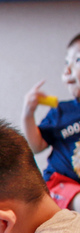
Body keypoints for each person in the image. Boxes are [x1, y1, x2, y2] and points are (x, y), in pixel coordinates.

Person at [21, 32, 80, 210]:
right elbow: (36, 146)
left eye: (77, 60)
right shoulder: (61, 111)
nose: (67, 69)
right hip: (61, 185)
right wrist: (28, 114)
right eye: (66, 62)